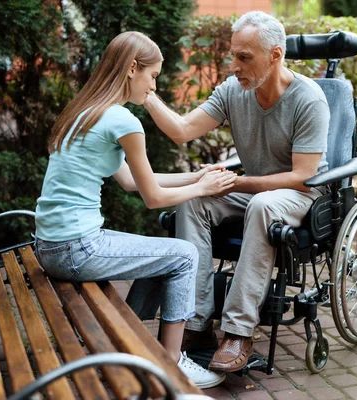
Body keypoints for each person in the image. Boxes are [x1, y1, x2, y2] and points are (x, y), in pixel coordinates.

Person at [33, 31, 236, 389]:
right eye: (153, 75)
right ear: (131, 69)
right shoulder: (125, 121)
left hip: (50, 245)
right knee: (185, 254)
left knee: (159, 254)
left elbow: (129, 181)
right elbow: (152, 198)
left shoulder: (85, 112)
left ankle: (126, 340)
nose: (154, 86)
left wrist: (195, 175)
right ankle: (172, 365)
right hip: (76, 249)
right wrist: (202, 189)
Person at [143, 11, 330, 372]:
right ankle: (195, 324)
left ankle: (238, 331)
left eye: (244, 57)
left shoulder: (309, 99)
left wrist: (237, 182)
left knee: (261, 204)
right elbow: (182, 130)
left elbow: (304, 176)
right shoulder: (234, 91)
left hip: (301, 195)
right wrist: (146, 94)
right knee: (194, 198)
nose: (234, 66)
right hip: (256, 191)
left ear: (275, 55)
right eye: (233, 55)